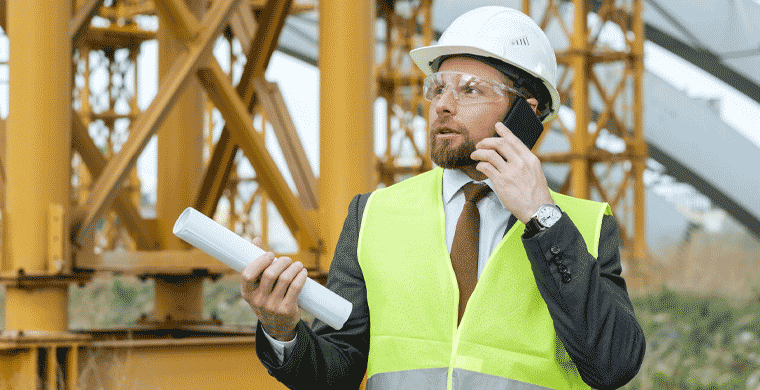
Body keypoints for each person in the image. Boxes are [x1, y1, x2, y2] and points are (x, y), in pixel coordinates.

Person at [240, 6, 645, 390]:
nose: (443, 106)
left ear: (527, 112)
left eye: (470, 90)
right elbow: (337, 369)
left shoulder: (583, 226)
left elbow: (612, 364)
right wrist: (284, 332)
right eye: (438, 88)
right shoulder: (374, 215)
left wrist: (541, 217)